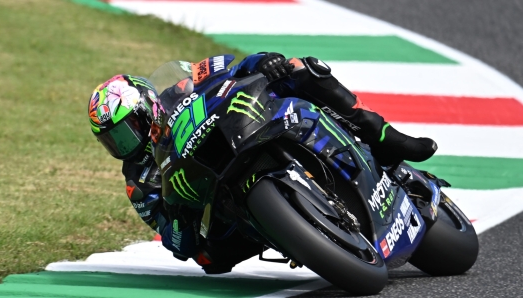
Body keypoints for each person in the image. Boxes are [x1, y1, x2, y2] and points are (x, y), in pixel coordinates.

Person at [87, 52, 437, 274]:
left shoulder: (178, 88)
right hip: (218, 202)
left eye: (128, 130)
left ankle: (382, 135)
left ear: (147, 105)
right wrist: (178, 223)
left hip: (239, 131)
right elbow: (175, 242)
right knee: (209, 260)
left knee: (299, 69)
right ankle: (296, 232)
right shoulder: (138, 181)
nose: (124, 144)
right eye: (114, 141)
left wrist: (262, 62)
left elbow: (230, 66)